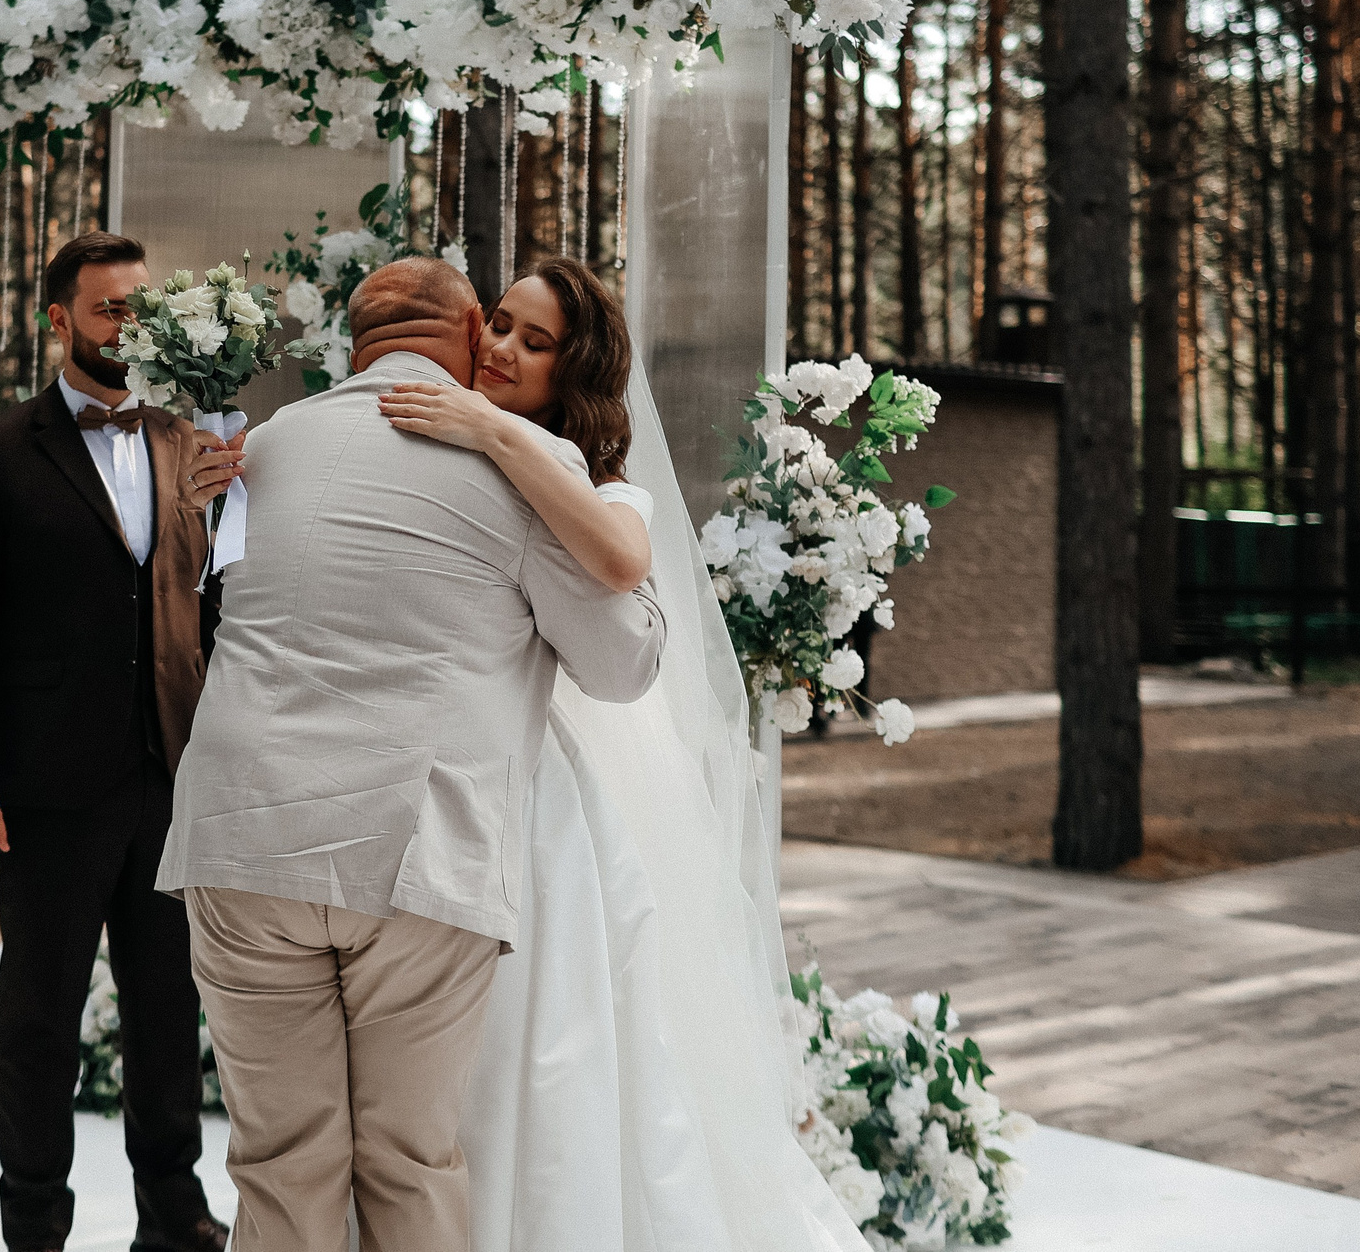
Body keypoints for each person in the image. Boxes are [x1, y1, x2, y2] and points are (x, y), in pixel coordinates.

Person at [156, 256, 669, 1252]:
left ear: (351, 340)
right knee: (407, 1163)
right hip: (409, 849)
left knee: (278, 1168)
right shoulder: (520, 459)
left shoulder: (263, 446)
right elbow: (620, 666)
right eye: (501, 328)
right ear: (470, 326)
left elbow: (231, 603)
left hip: (240, 838)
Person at [378, 256, 873, 1252]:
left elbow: (616, 562)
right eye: (499, 326)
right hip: (429, 780)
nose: (503, 350)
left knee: (555, 1047)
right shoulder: (438, 445)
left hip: (544, 799)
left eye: (534, 340)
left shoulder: (601, 489)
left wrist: (491, 431)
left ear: (575, 371)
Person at [0, 230, 240, 1252]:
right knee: (40, 1025)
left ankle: (174, 1219)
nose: (127, 328)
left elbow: (222, 608)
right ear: (58, 320)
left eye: (141, 309)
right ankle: (35, 1229)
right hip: (48, 789)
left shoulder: (195, 447)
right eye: (108, 310)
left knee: (166, 1018)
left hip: (170, 779)